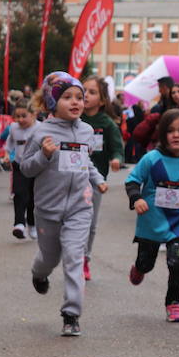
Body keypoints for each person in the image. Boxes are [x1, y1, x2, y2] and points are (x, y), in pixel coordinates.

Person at [20, 72, 107, 337]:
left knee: (74, 257)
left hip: (80, 207)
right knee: (49, 258)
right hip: (48, 209)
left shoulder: (86, 131)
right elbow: (25, 168)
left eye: (79, 97)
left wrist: (98, 180)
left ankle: (71, 313)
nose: (75, 102)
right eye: (67, 97)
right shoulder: (40, 132)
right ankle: (39, 273)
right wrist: (45, 155)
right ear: (51, 100)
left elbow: (85, 161)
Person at [126, 109, 179, 322]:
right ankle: (139, 268)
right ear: (162, 134)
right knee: (147, 263)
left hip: (177, 224)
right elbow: (133, 181)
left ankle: (174, 303)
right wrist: (137, 199)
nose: (176, 135)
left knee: (176, 263)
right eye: (170, 131)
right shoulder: (151, 159)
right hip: (150, 222)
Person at [81, 76, 124, 281]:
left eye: (92, 92)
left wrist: (116, 159)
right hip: (69, 177)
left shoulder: (106, 123)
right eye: (83, 91)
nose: (85, 95)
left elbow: (117, 147)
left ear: (102, 100)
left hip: (95, 181)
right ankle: (71, 253)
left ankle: (84, 259)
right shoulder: (73, 118)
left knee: (90, 223)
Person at [5, 99, 39, 240]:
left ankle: (32, 224)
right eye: (17, 116)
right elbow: (10, 143)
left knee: (32, 198)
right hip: (19, 165)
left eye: (24, 116)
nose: (20, 119)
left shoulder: (40, 128)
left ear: (33, 114)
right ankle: (19, 224)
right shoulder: (13, 128)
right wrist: (7, 154)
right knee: (19, 194)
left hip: (36, 167)